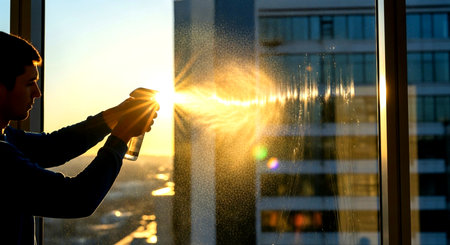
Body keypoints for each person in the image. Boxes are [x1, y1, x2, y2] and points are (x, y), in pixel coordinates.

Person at [0, 31, 159, 244]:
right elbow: (77, 199)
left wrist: (118, 113)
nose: (37, 93)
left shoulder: (6, 136)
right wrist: (121, 136)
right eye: (29, 83)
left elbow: (53, 147)